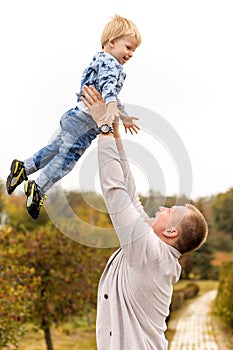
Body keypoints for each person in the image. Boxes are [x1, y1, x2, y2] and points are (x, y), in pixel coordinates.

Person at [81, 85, 208, 350]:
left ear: (171, 232)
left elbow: (115, 192)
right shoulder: (153, 250)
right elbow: (129, 193)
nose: (161, 209)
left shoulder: (149, 252)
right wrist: (115, 135)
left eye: (169, 212)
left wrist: (103, 128)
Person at [6, 15, 141, 219]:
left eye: (134, 50)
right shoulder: (111, 65)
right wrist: (112, 104)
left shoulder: (100, 61)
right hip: (85, 122)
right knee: (67, 158)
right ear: (112, 42)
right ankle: (38, 188)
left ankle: (23, 167)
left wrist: (122, 115)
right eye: (129, 47)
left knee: (56, 148)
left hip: (76, 116)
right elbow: (108, 86)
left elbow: (107, 92)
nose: (131, 54)